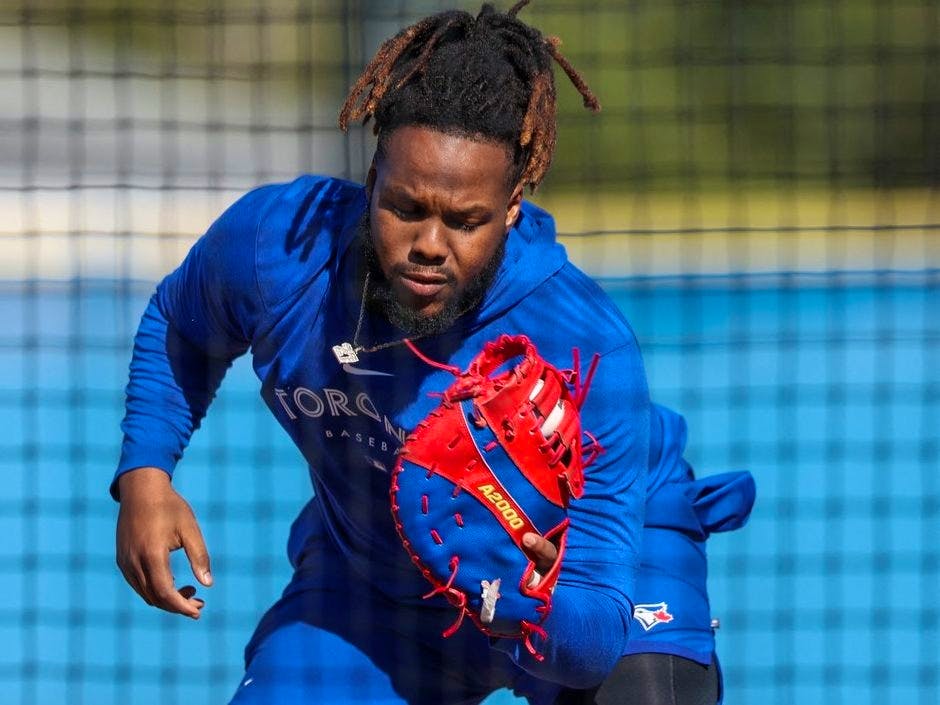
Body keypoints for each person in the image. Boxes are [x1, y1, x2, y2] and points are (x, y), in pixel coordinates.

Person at [113, 3, 753, 703]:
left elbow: (595, 638)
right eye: (406, 207)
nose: (429, 244)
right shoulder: (280, 247)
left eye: (465, 220)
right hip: (375, 577)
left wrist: (532, 601)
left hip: (586, 577)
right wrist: (145, 473)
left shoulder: (584, 344)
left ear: (512, 205)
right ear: (372, 178)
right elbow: (183, 322)